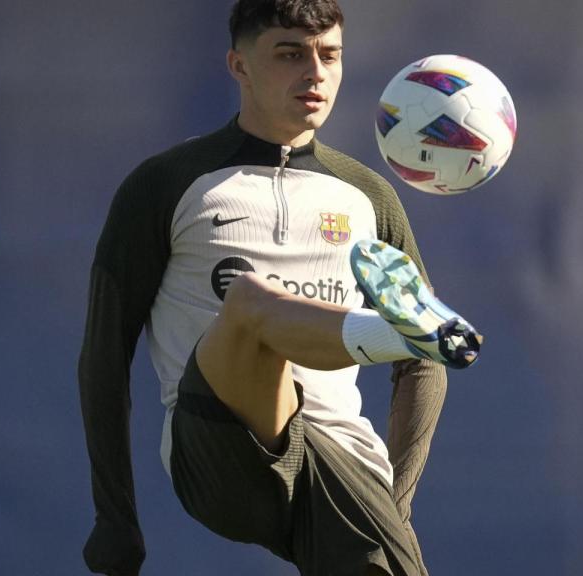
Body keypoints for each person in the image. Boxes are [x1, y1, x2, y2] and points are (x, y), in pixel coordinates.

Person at [78, 1, 482, 574]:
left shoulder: (369, 196)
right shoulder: (166, 184)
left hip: (338, 458)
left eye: (330, 55)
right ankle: (398, 334)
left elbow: (427, 371)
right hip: (219, 452)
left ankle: (405, 337)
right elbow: (103, 355)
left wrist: (394, 508)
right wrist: (114, 515)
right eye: (290, 53)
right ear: (239, 65)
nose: (315, 73)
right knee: (249, 303)